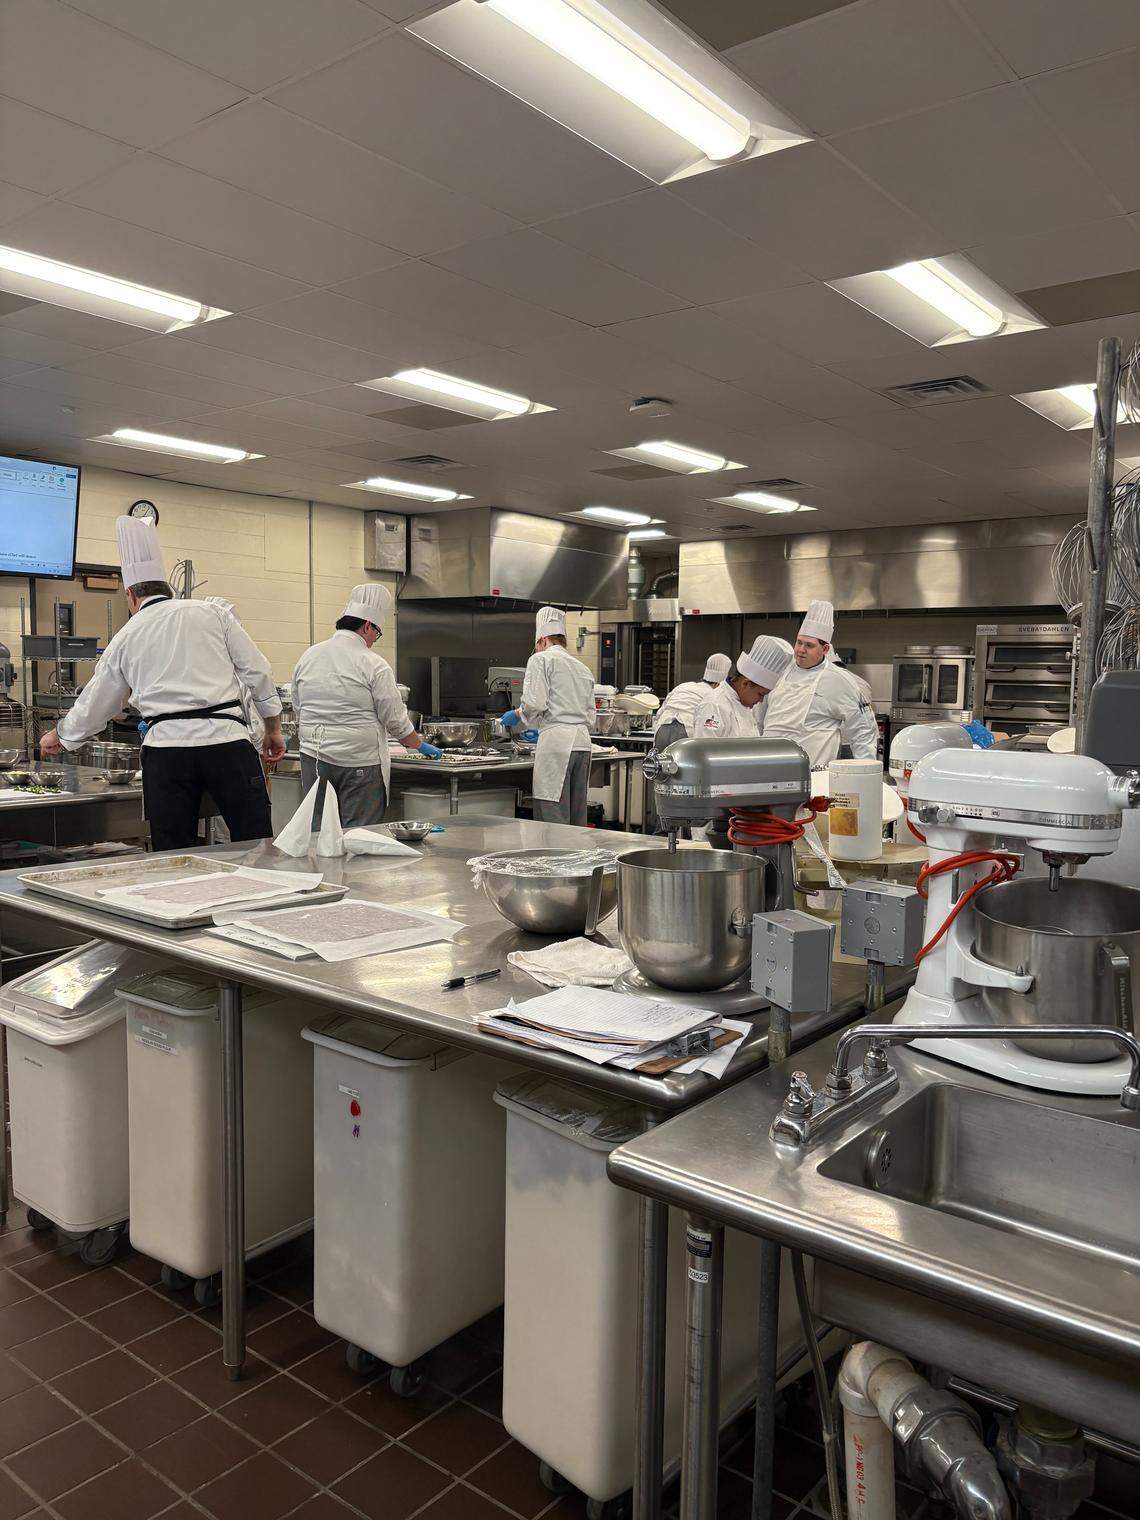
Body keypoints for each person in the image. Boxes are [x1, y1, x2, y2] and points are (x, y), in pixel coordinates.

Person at [40, 517, 285, 851]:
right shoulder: (212, 614)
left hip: (167, 754)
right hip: (227, 743)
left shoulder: (127, 635)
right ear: (166, 589)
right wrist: (273, 727)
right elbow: (258, 672)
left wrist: (62, 735)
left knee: (172, 854)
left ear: (130, 595)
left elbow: (100, 700)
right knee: (255, 842)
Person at [291, 584, 438, 828]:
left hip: (313, 757)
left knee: (318, 830)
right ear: (367, 625)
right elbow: (394, 718)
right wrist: (419, 744)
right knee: (359, 834)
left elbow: (299, 705)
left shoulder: (309, 655)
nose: (373, 641)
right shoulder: (372, 663)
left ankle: (319, 867)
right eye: (376, 633)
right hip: (359, 762)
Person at [502, 606, 594, 825]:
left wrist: (518, 714)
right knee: (576, 814)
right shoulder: (583, 667)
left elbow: (535, 702)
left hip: (557, 745)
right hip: (583, 743)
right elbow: (591, 715)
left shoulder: (540, 660)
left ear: (542, 640)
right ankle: (577, 858)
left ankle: (555, 859)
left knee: (553, 813)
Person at [759, 600, 879, 767]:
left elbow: (864, 732)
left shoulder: (840, 681)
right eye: (799, 642)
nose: (800, 649)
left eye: (809, 645)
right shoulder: (779, 672)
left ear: (825, 650)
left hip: (814, 777)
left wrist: (866, 774)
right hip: (768, 769)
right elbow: (759, 720)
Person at [693, 637, 794, 739]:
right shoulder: (714, 705)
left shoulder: (745, 705)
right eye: (761, 694)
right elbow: (704, 752)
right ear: (745, 684)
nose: (761, 700)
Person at [652, 653, 732, 750]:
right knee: (682, 764)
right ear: (718, 684)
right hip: (685, 731)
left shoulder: (683, 686)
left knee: (660, 763)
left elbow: (659, 714)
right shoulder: (714, 695)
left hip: (662, 728)